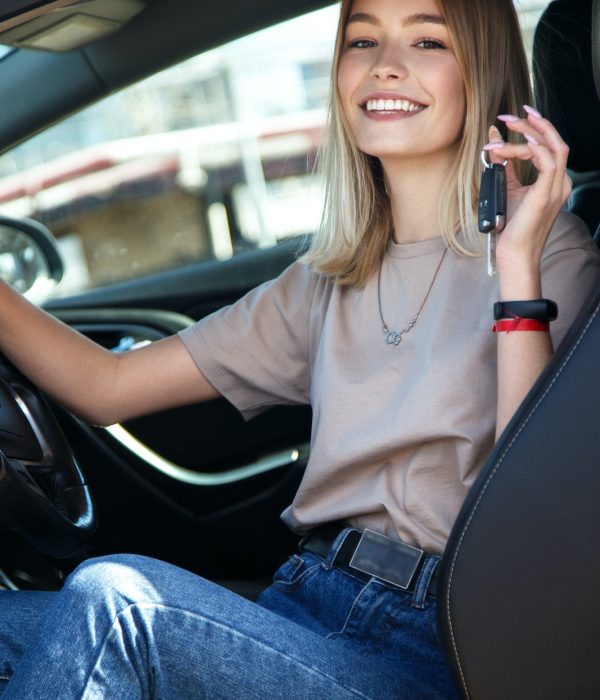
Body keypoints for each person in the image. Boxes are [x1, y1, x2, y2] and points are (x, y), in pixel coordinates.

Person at [0, 0, 598, 697]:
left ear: (484, 70)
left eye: (428, 40)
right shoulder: (325, 281)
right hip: (302, 602)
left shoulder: (552, 253)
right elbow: (106, 388)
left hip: (444, 644)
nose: (386, 65)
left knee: (117, 603)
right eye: (363, 40)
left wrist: (517, 270)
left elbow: (531, 509)